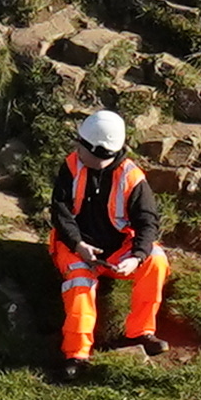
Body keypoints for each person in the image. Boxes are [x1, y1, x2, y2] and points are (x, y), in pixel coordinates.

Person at [45, 109, 167, 370]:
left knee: (156, 260)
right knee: (79, 282)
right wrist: (78, 244)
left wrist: (137, 257)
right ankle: (76, 355)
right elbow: (60, 212)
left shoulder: (132, 178)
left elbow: (148, 222)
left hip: (119, 250)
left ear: (98, 150)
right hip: (74, 247)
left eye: (81, 143)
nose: (76, 146)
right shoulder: (70, 166)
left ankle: (140, 332)